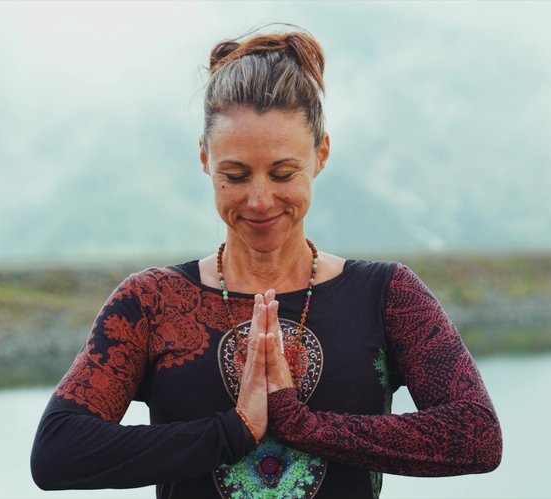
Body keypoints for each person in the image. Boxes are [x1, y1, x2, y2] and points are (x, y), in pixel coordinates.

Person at [30, 27, 502, 498]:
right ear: (204, 158)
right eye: (234, 175)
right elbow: (57, 452)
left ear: (321, 155)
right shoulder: (153, 302)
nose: (260, 200)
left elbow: (476, 436)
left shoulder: (386, 296)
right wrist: (232, 432)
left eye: (283, 173)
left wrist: (303, 426)